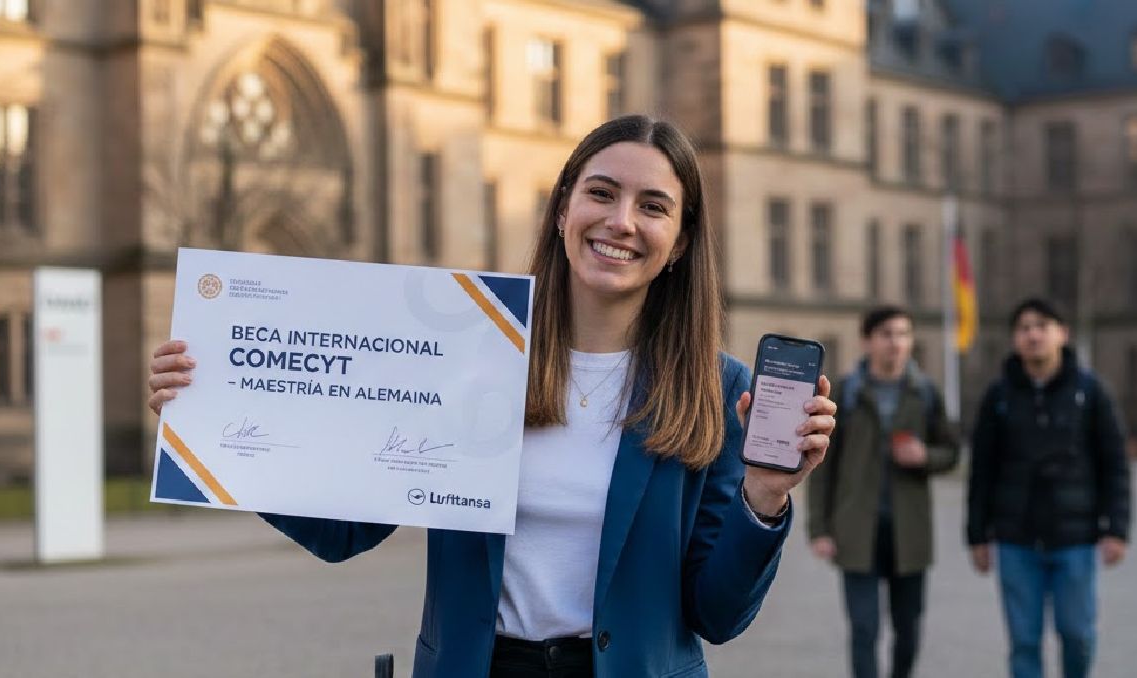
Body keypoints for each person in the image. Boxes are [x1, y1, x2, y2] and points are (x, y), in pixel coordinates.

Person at [147, 115, 838, 678]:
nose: (621, 221)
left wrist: (766, 497)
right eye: (601, 193)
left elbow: (716, 614)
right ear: (563, 206)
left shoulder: (717, 391)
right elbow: (342, 532)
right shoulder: (469, 355)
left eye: (652, 206)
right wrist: (213, 422)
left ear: (680, 242)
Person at [967, 298, 1131, 678]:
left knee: (1078, 635)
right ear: (1014, 339)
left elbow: (1115, 466)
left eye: (1042, 325)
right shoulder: (999, 396)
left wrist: (1117, 529)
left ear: (1063, 333)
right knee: (1023, 642)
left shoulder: (1090, 392)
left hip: (1075, 537)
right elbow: (982, 470)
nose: (1033, 334)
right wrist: (977, 535)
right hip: (1016, 540)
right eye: (1024, 328)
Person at [805, 306, 958, 678]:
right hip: (857, 531)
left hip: (909, 532)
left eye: (904, 334)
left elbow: (951, 451)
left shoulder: (924, 392)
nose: (897, 342)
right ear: (867, 341)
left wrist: (926, 456)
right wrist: (820, 529)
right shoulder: (846, 392)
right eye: (887, 334)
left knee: (908, 632)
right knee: (864, 630)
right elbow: (821, 464)